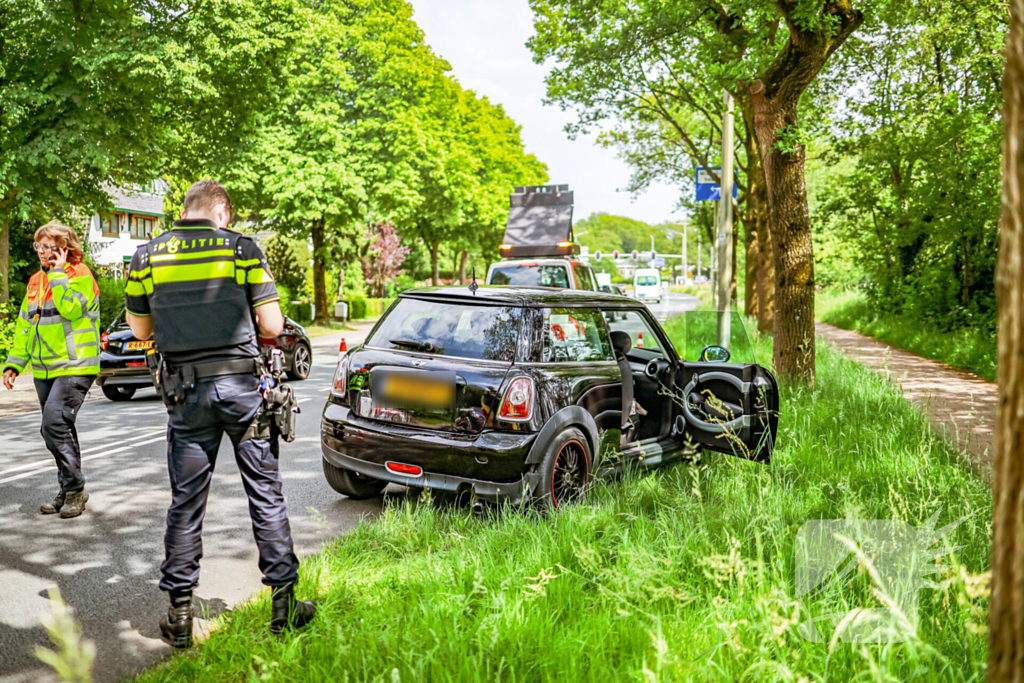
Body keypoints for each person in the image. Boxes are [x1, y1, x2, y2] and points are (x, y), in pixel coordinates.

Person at [123, 180, 315, 649]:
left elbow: (139, 327)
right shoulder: (242, 250)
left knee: (186, 502)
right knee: (265, 494)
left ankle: (180, 614)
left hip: (186, 393)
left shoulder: (146, 257)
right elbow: (271, 326)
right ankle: (285, 606)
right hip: (243, 388)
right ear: (222, 211)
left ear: (186, 210)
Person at [3, 221, 101, 518]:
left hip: (75, 365)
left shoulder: (81, 275)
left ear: (65, 247)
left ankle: (75, 488)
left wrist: (58, 275)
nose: (42, 252)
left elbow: (71, 309)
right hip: (45, 370)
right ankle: (68, 488)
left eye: (48, 246)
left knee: (53, 425)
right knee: (57, 430)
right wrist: (14, 363)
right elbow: (24, 327)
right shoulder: (35, 281)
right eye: (39, 246)